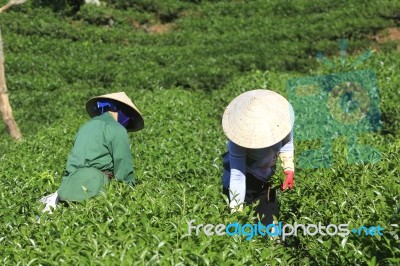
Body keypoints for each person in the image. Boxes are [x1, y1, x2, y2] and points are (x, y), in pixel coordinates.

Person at [39, 92, 144, 212]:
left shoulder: (85, 127)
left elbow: (72, 164)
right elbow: (124, 171)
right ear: (121, 111)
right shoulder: (117, 129)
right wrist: (131, 197)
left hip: (68, 189)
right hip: (95, 188)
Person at [221, 89, 295, 225]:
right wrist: (236, 212)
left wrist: (289, 168)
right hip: (245, 178)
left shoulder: (280, 123)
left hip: (267, 177)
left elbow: (287, 145)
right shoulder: (237, 142)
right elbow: (238, 177)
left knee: (268, 224)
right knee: (244, 226)